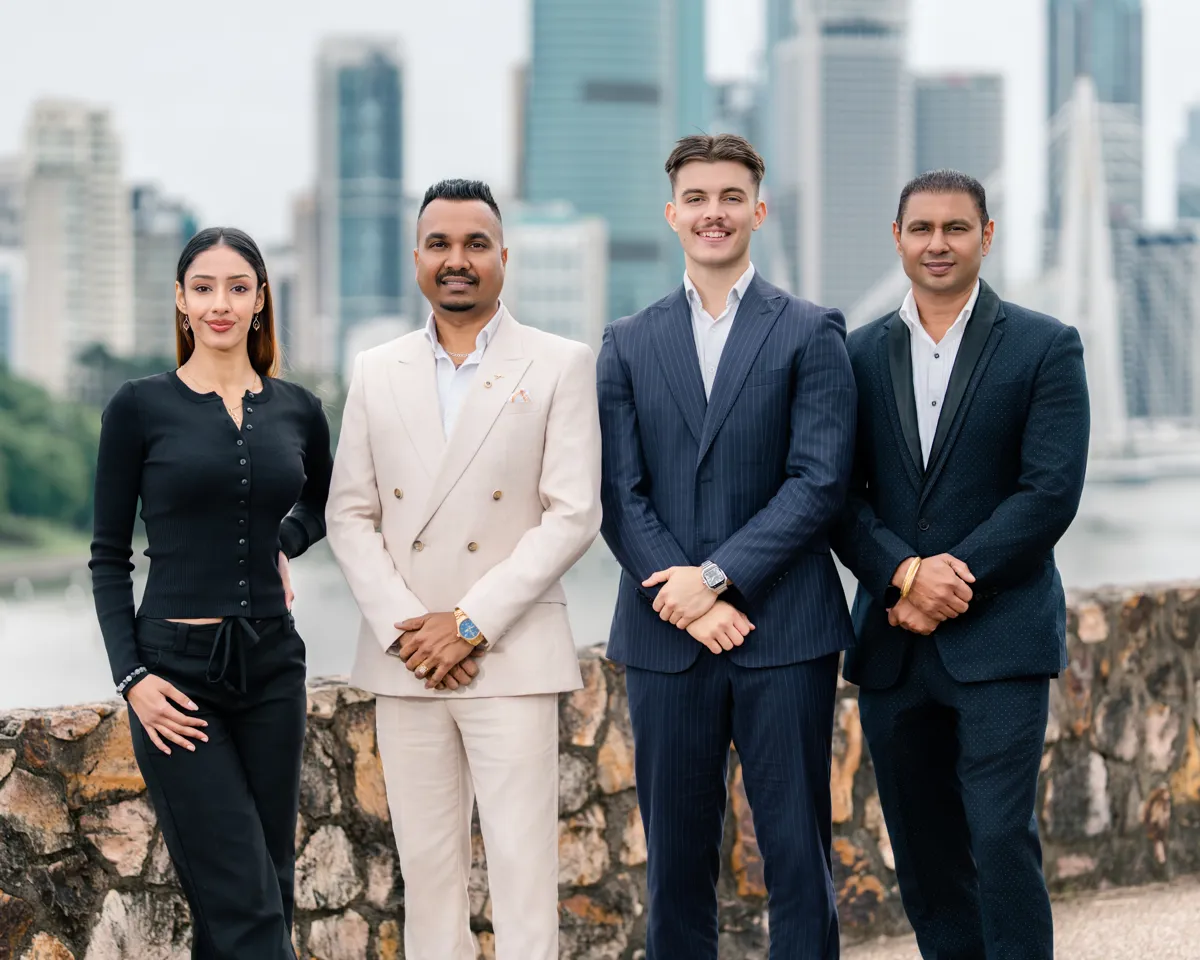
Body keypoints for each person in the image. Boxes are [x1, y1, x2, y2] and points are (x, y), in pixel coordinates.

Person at [325, 179, 602, 960]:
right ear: (417, 258)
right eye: (440, 244)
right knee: (429, 875)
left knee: (522, 875)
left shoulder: (558, 363)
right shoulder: (375, 369)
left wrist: (470, 622)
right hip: (407, 656)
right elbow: (349, 513)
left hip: (507, 655)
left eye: (476, 244)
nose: (458, 260)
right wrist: (407, 629)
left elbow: (573, 513)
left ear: (503, 257)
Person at [598, 134, 857, 959]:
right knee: (674, 861)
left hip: (785, 631)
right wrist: (680, 596)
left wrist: (714, 578)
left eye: (731, 197)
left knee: (796, 853)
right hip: (666, 638)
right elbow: (618, 493)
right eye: (698, 198)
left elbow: (819, 482)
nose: (715, 213)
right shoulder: (627, 341)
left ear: (759, 208)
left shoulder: (813, 331)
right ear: (672, 214)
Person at [831, 170, 1090, 959]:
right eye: (921, 229)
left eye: (955, 228)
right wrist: (903, 576)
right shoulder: (856, 353)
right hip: (895, 647)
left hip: (1002, 638)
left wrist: (947, 579)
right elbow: (836, 492)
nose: (937, 244)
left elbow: (1048, 494)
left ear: (987, 235)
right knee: (925, 848)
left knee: (1002, 836)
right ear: (898, 239)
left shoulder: (1047, 345)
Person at [90, 227, 332, 958]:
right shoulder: (138, 406)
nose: (220, 303)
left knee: (264, 890)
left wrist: (280, 546)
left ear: (260, 300)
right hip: (176, 674)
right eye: (204, 287)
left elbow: (320, 508)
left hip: (272, 669)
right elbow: (107, 557)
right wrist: (132, 677)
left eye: (237, 287)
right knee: (246, 905)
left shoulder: (299, 408)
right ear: (181, 300)